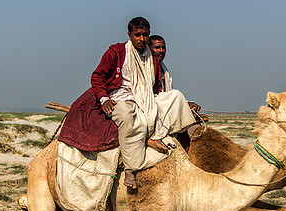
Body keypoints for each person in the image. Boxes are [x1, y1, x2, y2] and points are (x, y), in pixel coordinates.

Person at [58, 17, 196, 189]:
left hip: (146, 98)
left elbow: (157, 88)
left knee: (176, 96)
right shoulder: (116, 52)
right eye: (137, 35)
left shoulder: (151, 57)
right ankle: (131, 169)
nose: (142, 39)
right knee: (128, 118)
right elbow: (97, 77)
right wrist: (104, 98)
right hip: (120, 97)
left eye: (145, 35)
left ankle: (159, 136)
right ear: (129, 35)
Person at [148, 34, 201, 113]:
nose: (161, 51)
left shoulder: (165, 71)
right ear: (149, 49)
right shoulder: (145, 68)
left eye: (163, 48)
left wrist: (186, 104)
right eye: (157, 48)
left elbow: (168, 93)